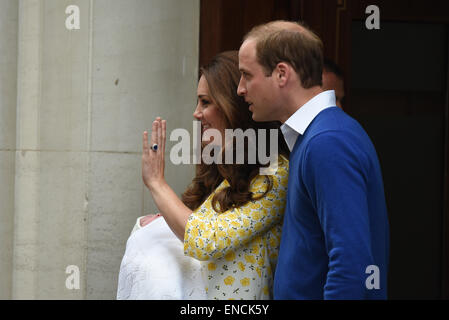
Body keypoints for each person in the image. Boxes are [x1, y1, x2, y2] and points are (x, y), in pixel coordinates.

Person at [117, 51, 289, 300]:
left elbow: (205, 239)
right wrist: (164, 221)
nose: (196, 113)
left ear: (234, 105)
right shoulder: (220, 168)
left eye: (205, 102)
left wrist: (157, 184)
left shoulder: (275, 171)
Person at [237, 20, 389, 299]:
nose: (240, 89)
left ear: (281, 74)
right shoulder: (318, 136)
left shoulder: (327, 142)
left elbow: (351, 265)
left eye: (247, 75)